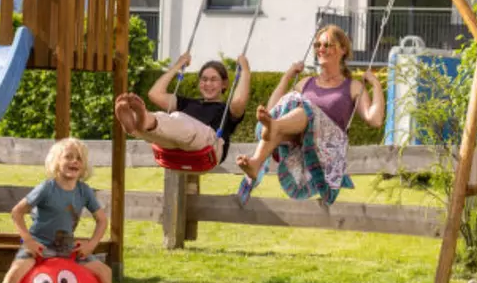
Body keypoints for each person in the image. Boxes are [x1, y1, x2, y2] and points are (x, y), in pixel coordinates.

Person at [235, 24, 384, 206]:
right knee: (289, 106)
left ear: (343, 49)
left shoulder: (352, 86)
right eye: (317, 45)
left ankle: (274, 128)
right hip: (300, 142)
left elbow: (375, 119)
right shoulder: (307, 83)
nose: (320, 49)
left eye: (327, 45)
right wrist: (287, 77)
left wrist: (376, 85)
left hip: (327, 146)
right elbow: (274, 109)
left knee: (302, 108)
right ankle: (255, 163)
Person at [0, 137, 116, 283]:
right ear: (57, 162)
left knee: (106, 273)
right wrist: (28, 241)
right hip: (38, 245)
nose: (74, 161)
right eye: (68, 157)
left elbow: (102, 220)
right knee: (13, 275)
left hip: (66, 247)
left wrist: (91, 244)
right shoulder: (47, 188)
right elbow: (17, 212)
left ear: (83, 165)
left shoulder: (83, 191)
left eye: (79, 158)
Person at [115, 53, 250, 164]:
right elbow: (154, 94)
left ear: (224, 84)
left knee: (179, 119)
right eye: (204, 79)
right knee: (161, 132)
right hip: (178, 147)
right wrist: (178, 65)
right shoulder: (187, 103)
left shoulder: (226, 110)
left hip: (209, 147)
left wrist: (245, 70)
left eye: (213, 79)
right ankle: (136, 125)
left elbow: (239, 101)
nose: (208, 83)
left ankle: (143, 120)